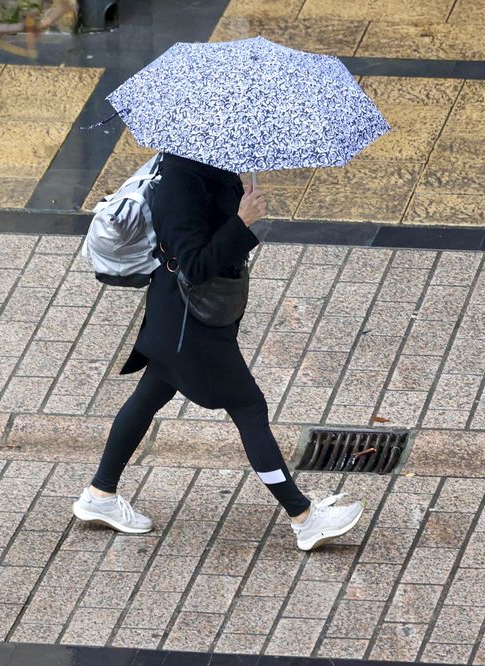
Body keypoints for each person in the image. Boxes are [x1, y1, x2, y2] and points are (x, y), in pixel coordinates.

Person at [73, 153, 364, 551]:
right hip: (188, 328)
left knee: (148, 396)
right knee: (248, 408)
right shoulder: (180, 185)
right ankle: (305, 518)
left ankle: (100, 495)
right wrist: (241, 221)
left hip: (179, 318)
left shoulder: (205, 168)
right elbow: (195, 266)